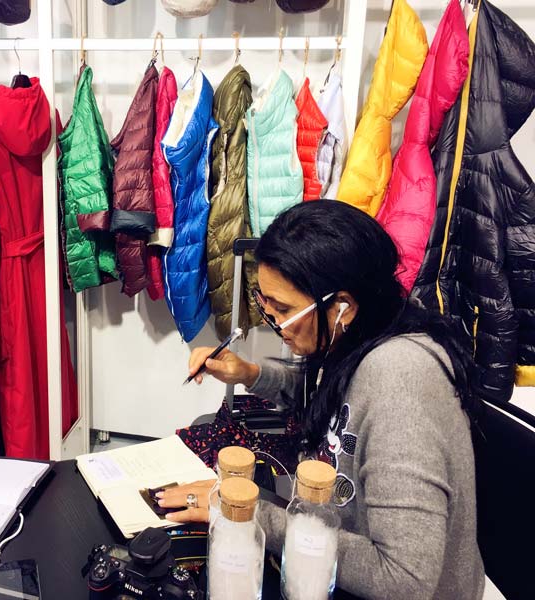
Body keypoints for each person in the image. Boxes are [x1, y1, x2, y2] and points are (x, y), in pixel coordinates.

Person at [159, 201, 485, 599]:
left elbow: (403, 579)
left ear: (342, 306)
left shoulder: (402, 380)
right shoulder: (366, 334)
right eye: (265, 302)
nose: (273, 322)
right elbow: (337, 402)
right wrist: (250, 374)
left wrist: (249, 514)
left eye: (283, 309)